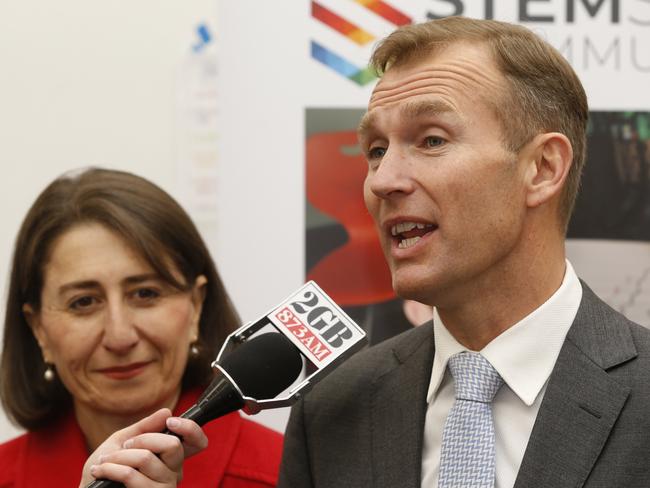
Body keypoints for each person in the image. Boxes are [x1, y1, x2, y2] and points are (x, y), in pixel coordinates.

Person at [277, 16, 650, 488]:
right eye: (375, 149)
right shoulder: (333, 409)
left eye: (432, 140)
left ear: (541, 168)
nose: (382, 180)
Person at [0, 168, 283, 487]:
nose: (120, 337)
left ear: (196, 307)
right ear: (38, 328)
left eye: (145, 293)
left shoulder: (286, 474)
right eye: (83, 302)